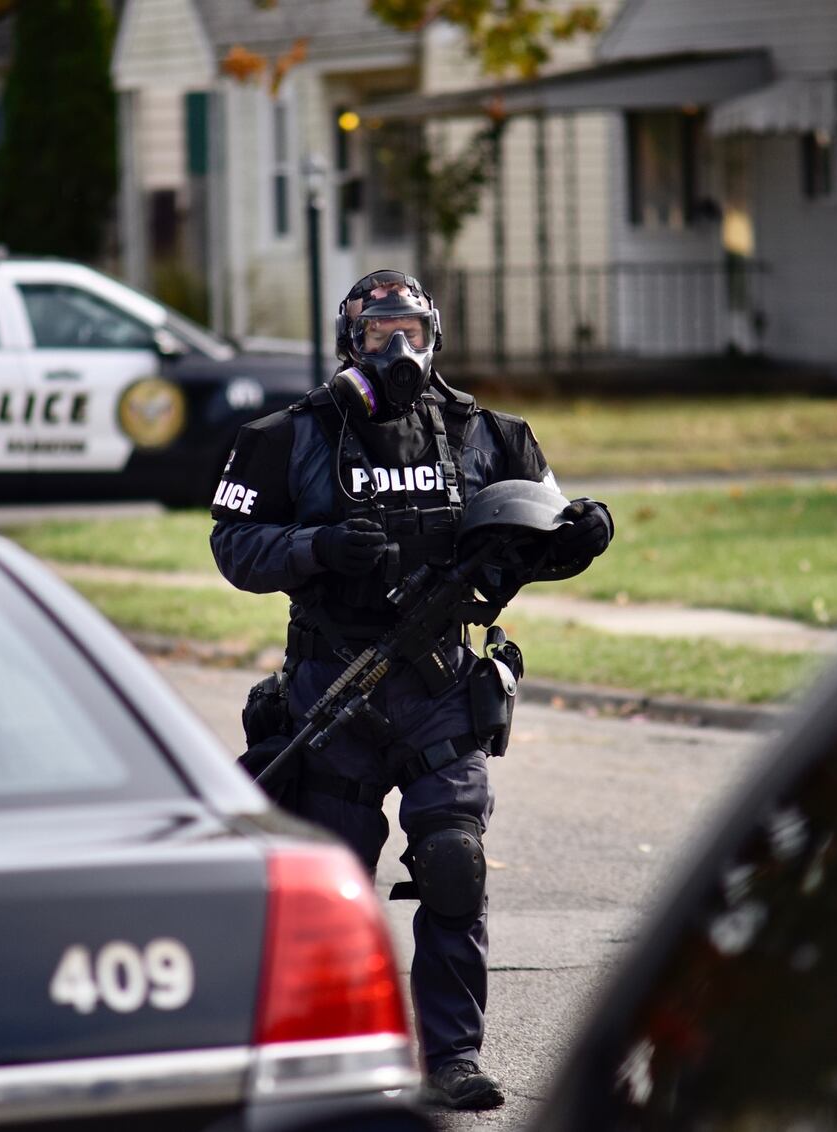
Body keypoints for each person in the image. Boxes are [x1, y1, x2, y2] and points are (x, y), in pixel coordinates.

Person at [209, 269, 613, 1112]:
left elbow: (532, 535)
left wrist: (579, 534)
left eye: (414, 333)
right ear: (348, 343)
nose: (400, 350)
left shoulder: (485, 433)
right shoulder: (289, 436)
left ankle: (454, 1058)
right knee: (335, 889)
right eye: (380, 333)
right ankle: (328, 1059)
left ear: (436, 337)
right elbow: (234, 544)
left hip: (441, 688)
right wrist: (316, 547)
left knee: (455, 864)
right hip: (334, 689)